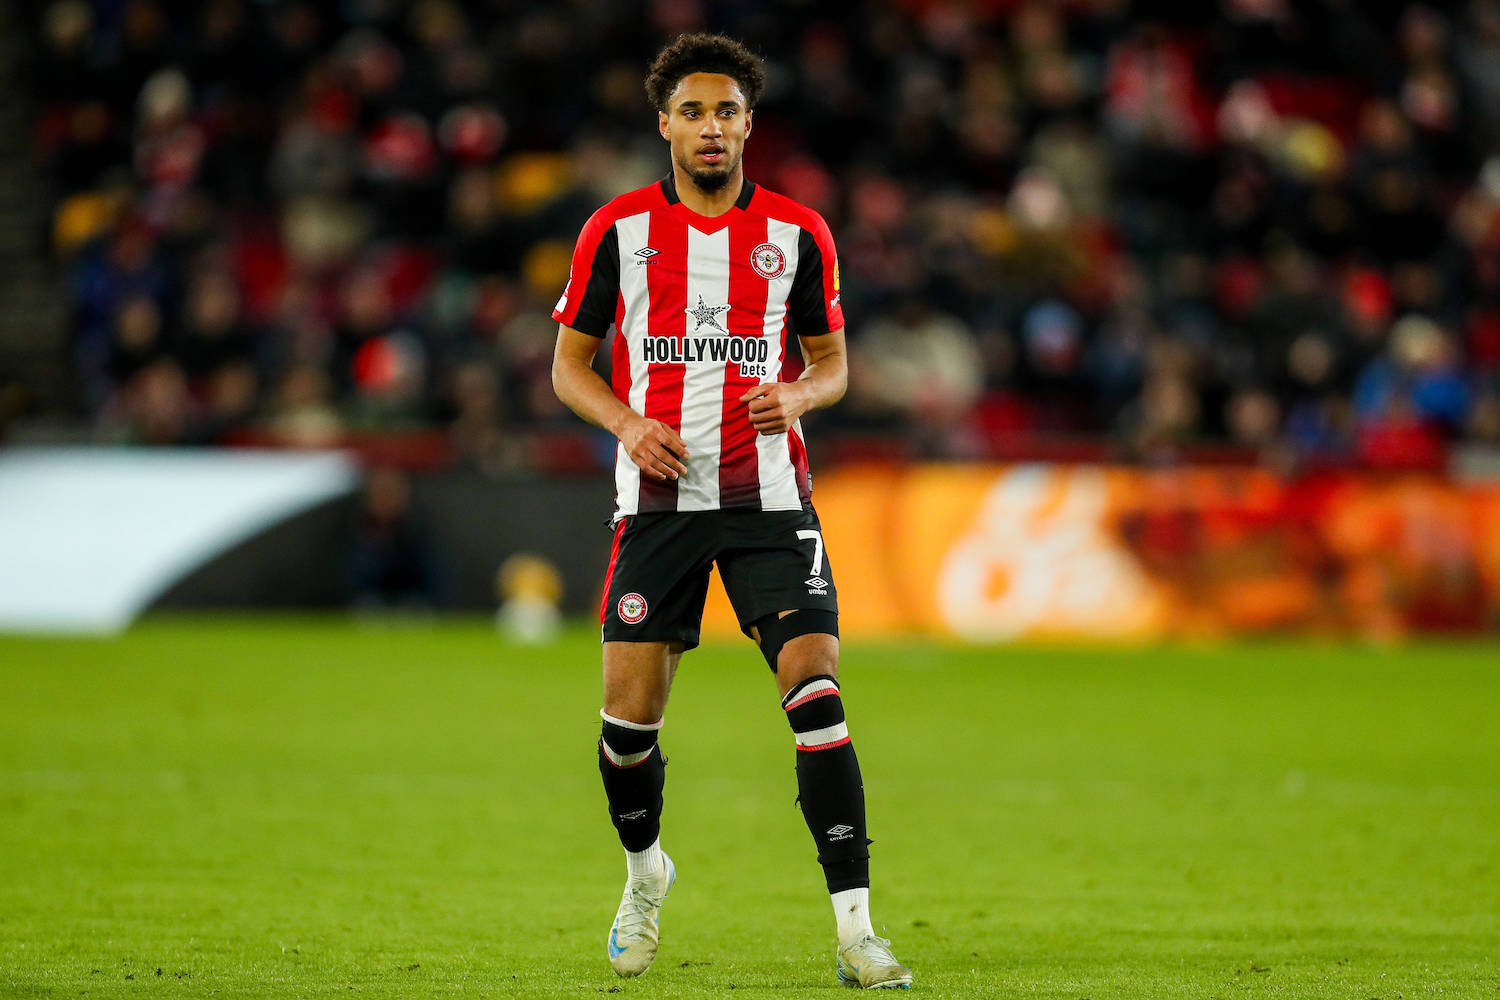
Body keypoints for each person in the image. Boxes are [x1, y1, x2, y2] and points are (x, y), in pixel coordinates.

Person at [550, 32, 914, 991]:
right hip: (659, 505)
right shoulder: (616, 231)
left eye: (727, 111)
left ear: (750, 123)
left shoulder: (798, 234)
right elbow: (567, 367)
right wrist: (628, 423)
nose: (712, 127)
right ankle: (644, 876)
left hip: (770, 501)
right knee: (628, 730)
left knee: (818, 696)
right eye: (694, 111)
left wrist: (797, 395)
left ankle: (857, 932)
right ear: (664, 123)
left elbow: (833, 366)